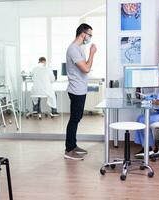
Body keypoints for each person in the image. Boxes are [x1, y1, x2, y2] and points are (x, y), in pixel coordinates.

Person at [64, 23, 97, 161]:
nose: (90, 37)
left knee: (77, 118)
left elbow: (86, 66)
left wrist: (89, 55)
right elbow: (86, 69)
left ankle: (73, 145)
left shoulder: (78, 48)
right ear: (83, 34)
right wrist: (92, 53)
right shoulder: (73, 49)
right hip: (76, 90)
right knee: (74, 119)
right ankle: (69, 149)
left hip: (80, 89)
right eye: (90, 35)